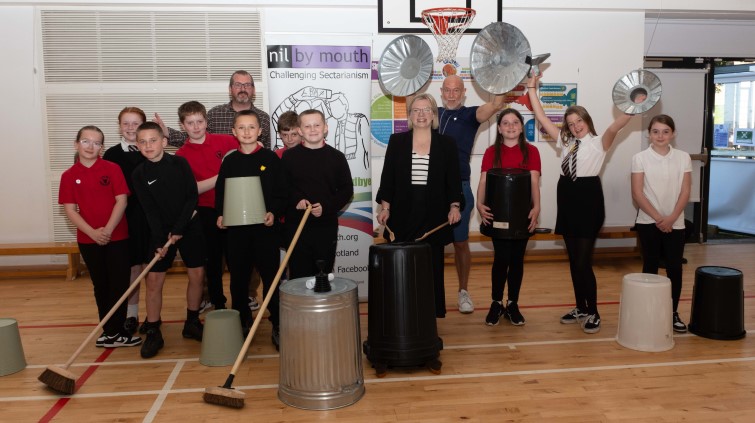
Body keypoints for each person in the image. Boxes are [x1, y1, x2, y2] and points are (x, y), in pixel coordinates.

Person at [527, 73, 634, 334]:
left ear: (587, 121)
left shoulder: (599, 143)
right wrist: (531, 86)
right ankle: (581, 307)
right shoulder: (565, 142)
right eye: (571, 123)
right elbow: (541, 117)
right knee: (573, 260)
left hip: (588, 199)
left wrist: (634, 106)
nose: (576, 126)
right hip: (567, 198)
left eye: (579, 121)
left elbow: (614, 127)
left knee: (583, 262)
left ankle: (594, 311)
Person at [376, 93, 463, 318]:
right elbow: (388, 179)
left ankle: (429, 313)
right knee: (402, 266)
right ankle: (402, 311)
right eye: (416, 110)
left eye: (426, 110)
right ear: (410, 115)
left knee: (431, 267)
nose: (421, 114)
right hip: (403, 213)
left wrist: (454, 206)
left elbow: (453, 180)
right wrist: (385, 207)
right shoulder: (397, 141)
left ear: (434, 115)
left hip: (434, 213)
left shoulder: (447, 144)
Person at [59, 125, 142, 348]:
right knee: (101, 285)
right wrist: (93, 233)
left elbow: (121, 201)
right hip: (89, 240)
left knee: (119, 284)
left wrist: (107, 230)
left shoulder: (112, 169)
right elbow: (69, 210)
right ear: (76, 144)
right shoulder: (69, 176)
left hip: (117, 237)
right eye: (86, 141)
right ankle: (109, 331)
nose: (90, 146)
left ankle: (119, 330)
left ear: (102, 148)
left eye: (96, 143)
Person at [131, 122, 206, 358]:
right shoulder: (139, 174)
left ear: (164, 141)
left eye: (153, 140)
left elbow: (191, 196)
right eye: (142, 142)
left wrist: (180, 228)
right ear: (137, 145)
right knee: (153, 281)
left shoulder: (180, 163)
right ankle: (153, 330)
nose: (148, 145)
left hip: (189, 225)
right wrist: (158, 241)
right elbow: (149, 209)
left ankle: (192, 322)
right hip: (160, 232)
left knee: (197, 275)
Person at [216, 110, 287, 348]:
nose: (247, 132)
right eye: (241, 127)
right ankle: (242, 322)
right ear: (234, 132)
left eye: (251, 127)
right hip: (237, 233)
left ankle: (277, 323)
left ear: (260, 131)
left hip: (266, 231)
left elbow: (281, 193)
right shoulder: (230, 161)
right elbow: (221, 192)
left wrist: (273, 212)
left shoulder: (270, 159)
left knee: (271, 279)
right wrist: (220, 215)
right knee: (238, 280)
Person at [436, 75, 506, 314]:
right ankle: (429, 293)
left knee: (460, 243)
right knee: (428, 244)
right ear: (441, 91)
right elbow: (412, 102)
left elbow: (496, 104)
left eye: (456, 90)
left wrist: (502, 74)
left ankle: (463, 291)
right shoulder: (432, 114)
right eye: (448, 90)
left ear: (464, 93)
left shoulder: (470, 115)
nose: (452, 94)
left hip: (460, 186)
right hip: (431, 188)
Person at [476, 109, 542, 326]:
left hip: (522, 216)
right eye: (506, 123)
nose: (511, 126)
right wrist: (479, 203)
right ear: (499, 128)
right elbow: (484, 181)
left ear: (522, 127)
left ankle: (512, 303)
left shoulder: (532, 151)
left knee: (517, 260)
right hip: (498, 216)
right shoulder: (490, 152)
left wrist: (537, 207)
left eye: (515, 122)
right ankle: (496, 303)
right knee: (501, 259)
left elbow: (533, 183)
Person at [172, 101, 237, 313]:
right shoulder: (181, 156)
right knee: (213, 262)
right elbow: (191, 191)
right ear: (182, 126)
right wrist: (222, 176)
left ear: (206, 121)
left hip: (233, 207)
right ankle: (218, 302)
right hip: (205, 212)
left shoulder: (227, 141)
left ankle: (240, 304)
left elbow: (249, 155)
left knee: (237, 260)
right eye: (190, 123)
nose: (196, 126)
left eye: (200, 121)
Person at [631, 114, 692, 333]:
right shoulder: (640, 158)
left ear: (673, 134)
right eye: (656, 131)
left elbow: (685, 191)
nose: (660, 135)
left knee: (675, 268)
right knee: (650, 266)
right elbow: (638, 193)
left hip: (675, 222)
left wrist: (672, 217)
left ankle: (672, 312)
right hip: (649, 222)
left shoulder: (683, 157)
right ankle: (649, 312)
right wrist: (659, 218)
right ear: (649, 134)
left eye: (665, 131)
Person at [280, 109, 354, 278]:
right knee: (299, 274)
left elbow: (346, 189)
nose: (312, 129)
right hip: (296, 225)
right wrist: (296, 200)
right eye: (307, 126)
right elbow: (283, 187)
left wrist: (327, 207)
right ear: (300, 130)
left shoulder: (337, 157)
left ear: (325, 127)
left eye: (317, 125)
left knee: (323, 275)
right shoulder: (289, 157)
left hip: (325, 226)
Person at [103, 107, 149, 335]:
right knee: (132, 269)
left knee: (153, 270)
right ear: (119, 125)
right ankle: (131, 314)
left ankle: (154, 317)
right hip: (125, 219)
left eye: (136, 123)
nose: (131, 128)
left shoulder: (151, 150)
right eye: (126, 123)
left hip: (151, 219)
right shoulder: (111, 155)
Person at [156, 70, 271, 149]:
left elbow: (267, 151)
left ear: (254, 90)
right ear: (230, 89)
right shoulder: (215, 114)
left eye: (247, 85)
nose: (243, 89)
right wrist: (167, 132)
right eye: (237, 85)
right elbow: (194, 138)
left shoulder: (263, 118)